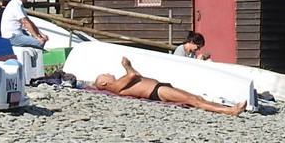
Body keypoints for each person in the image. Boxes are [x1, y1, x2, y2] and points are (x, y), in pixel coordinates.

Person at [92, 56, 246, 116]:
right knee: (194, 100)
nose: (107, 73)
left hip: (158, 88)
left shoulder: (120, 81)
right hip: (157, 91)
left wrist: (130, 69)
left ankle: (225, 108)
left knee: (195, 98)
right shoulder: (117, 86)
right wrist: (127, 65)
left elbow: (136, 76)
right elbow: (133, 75)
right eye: (104, 75)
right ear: (104, 83)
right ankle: (230, 111)